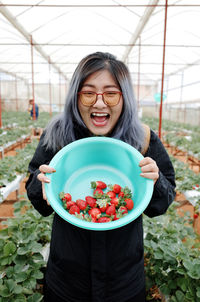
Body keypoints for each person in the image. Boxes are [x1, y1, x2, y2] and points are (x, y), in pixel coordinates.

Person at [25, 52, 176, 302]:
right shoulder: (56, 137)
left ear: (124, 98)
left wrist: (156, 180)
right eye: (88, 92)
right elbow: (40, 202)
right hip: (67, 282)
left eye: (111, 92)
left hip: (123, 283)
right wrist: (39, 185)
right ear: (76, 97)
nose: (99, 103)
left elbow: (162, 202)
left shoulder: (143, 139)